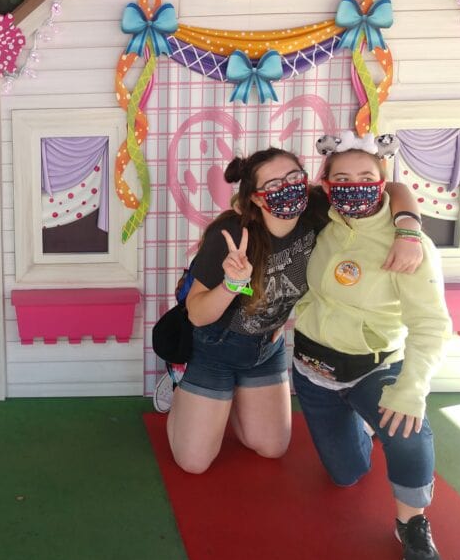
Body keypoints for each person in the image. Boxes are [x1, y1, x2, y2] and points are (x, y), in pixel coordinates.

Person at [162, 145, 423, 475]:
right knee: (194, 463)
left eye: (294, 178)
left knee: (271, 448)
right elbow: (198, 314)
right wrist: (231, 283)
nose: (287, 189)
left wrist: (408, 230)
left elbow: (393, 188)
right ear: (257, 197)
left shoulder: (317, 212)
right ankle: (185, 389)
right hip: (215, 346)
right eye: (273, 186)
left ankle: (227, 401)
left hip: (266, 349)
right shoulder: (231, 235)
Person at [291, 132, 451, 560]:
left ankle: (412, 524)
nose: (353, 185)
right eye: (341, 177)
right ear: (326, 186)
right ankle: (362, 430)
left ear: (382, 180)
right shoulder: (323, 217)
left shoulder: (409, 244)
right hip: (311, 369)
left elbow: (431, 323)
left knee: (406, 429)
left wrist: (412, 388)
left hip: (373, 368)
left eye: (366, 176)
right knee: (345, 476)